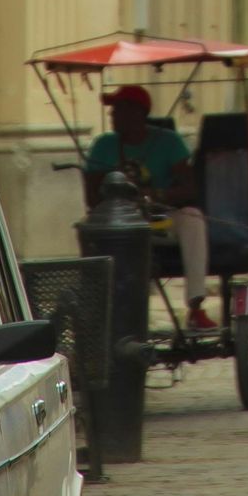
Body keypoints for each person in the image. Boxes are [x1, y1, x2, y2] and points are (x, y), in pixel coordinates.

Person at [85, 83, 213, 331]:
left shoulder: (169, 142)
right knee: (87, 227)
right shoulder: (103, 145)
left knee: (193, 218)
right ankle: (98, 311)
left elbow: (189, 189)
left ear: (137, 113)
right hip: (119, 223)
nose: (112, 115)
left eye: (118, 109)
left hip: (160, 217)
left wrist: (156, 194)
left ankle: (196, 307)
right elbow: (91, 197)